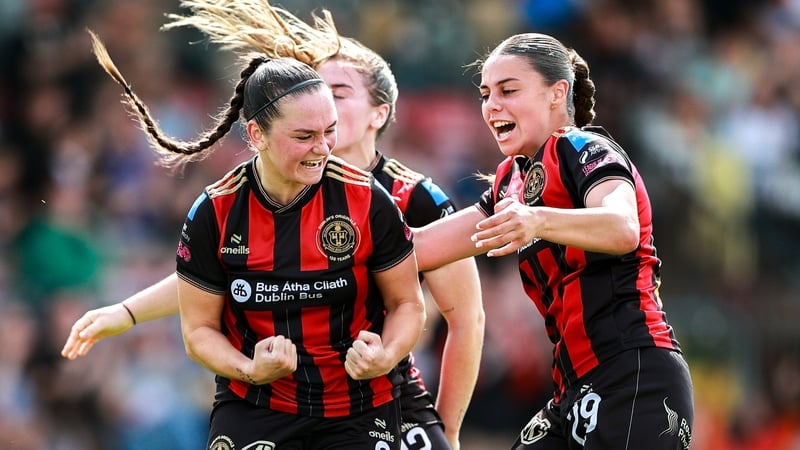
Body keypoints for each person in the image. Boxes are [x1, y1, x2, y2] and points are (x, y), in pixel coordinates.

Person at [63, 4, 484, 449]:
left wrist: (449, 430)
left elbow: (461, 316)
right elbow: (224, 278)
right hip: (269, 401)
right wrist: (128, 312)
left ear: (378, 113)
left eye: (337, 95)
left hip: (375, 388)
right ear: (262, 133)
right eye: (315, 90)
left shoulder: (402, 198)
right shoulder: (231, 203)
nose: (320, 107)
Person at [409, 33, 694, 449]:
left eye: (508, 90)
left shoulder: (582, 147)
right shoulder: (511, 180)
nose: (492, 106)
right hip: (571, 390)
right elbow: (418, 249)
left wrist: (537, 219)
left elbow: (622, 228)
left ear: (557, 93)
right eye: (486, 95)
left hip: (634, 376)